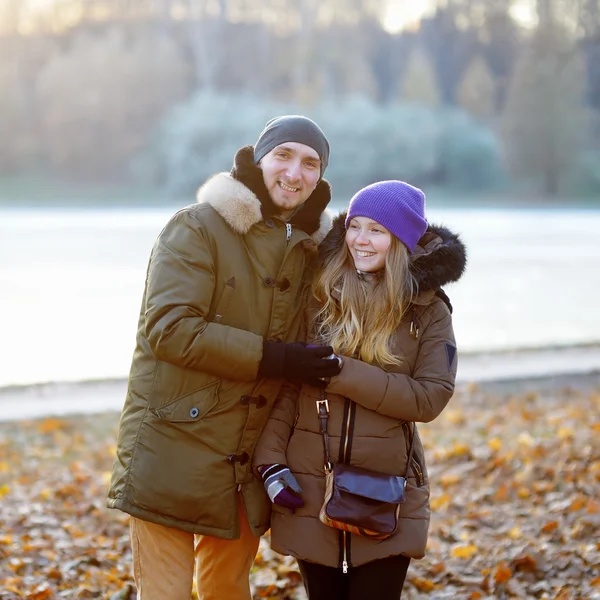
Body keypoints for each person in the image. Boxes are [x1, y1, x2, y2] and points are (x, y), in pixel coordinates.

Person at [107, 115, 343, 600]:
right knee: (166, 594)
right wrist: (276, 358)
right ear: (258, 160)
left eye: (310, 163)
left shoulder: (313, 253)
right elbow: (169, 329)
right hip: (171, 445)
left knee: (227, 592)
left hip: (246, 459)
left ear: (320, 177)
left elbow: (375, 270)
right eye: (284, 155)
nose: (295, 173)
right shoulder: (197, 227)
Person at [253, 180, 467, 599]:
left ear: (401, 240)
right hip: (311, 486)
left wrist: (340, 372)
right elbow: (288, 391)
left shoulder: (428, 310)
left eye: (377, 230)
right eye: (355, 226)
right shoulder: (319, 295)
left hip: (387, 489)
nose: (360, 240)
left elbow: (429, 398)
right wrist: (270, 461)